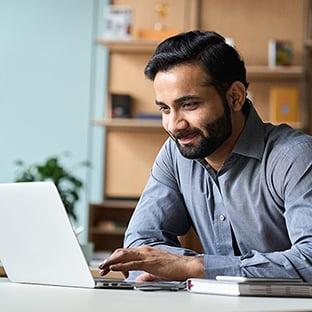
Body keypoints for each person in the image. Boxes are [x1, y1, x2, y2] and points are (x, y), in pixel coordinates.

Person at [99, 30, 312, 282]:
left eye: (189, 105)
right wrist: (173, 267)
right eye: (165, 109)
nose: (175, 125)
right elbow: (140, 244)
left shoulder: (295, 157)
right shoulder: (174, 154)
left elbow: (309, 260)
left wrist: (195, 268)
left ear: (235, 97)